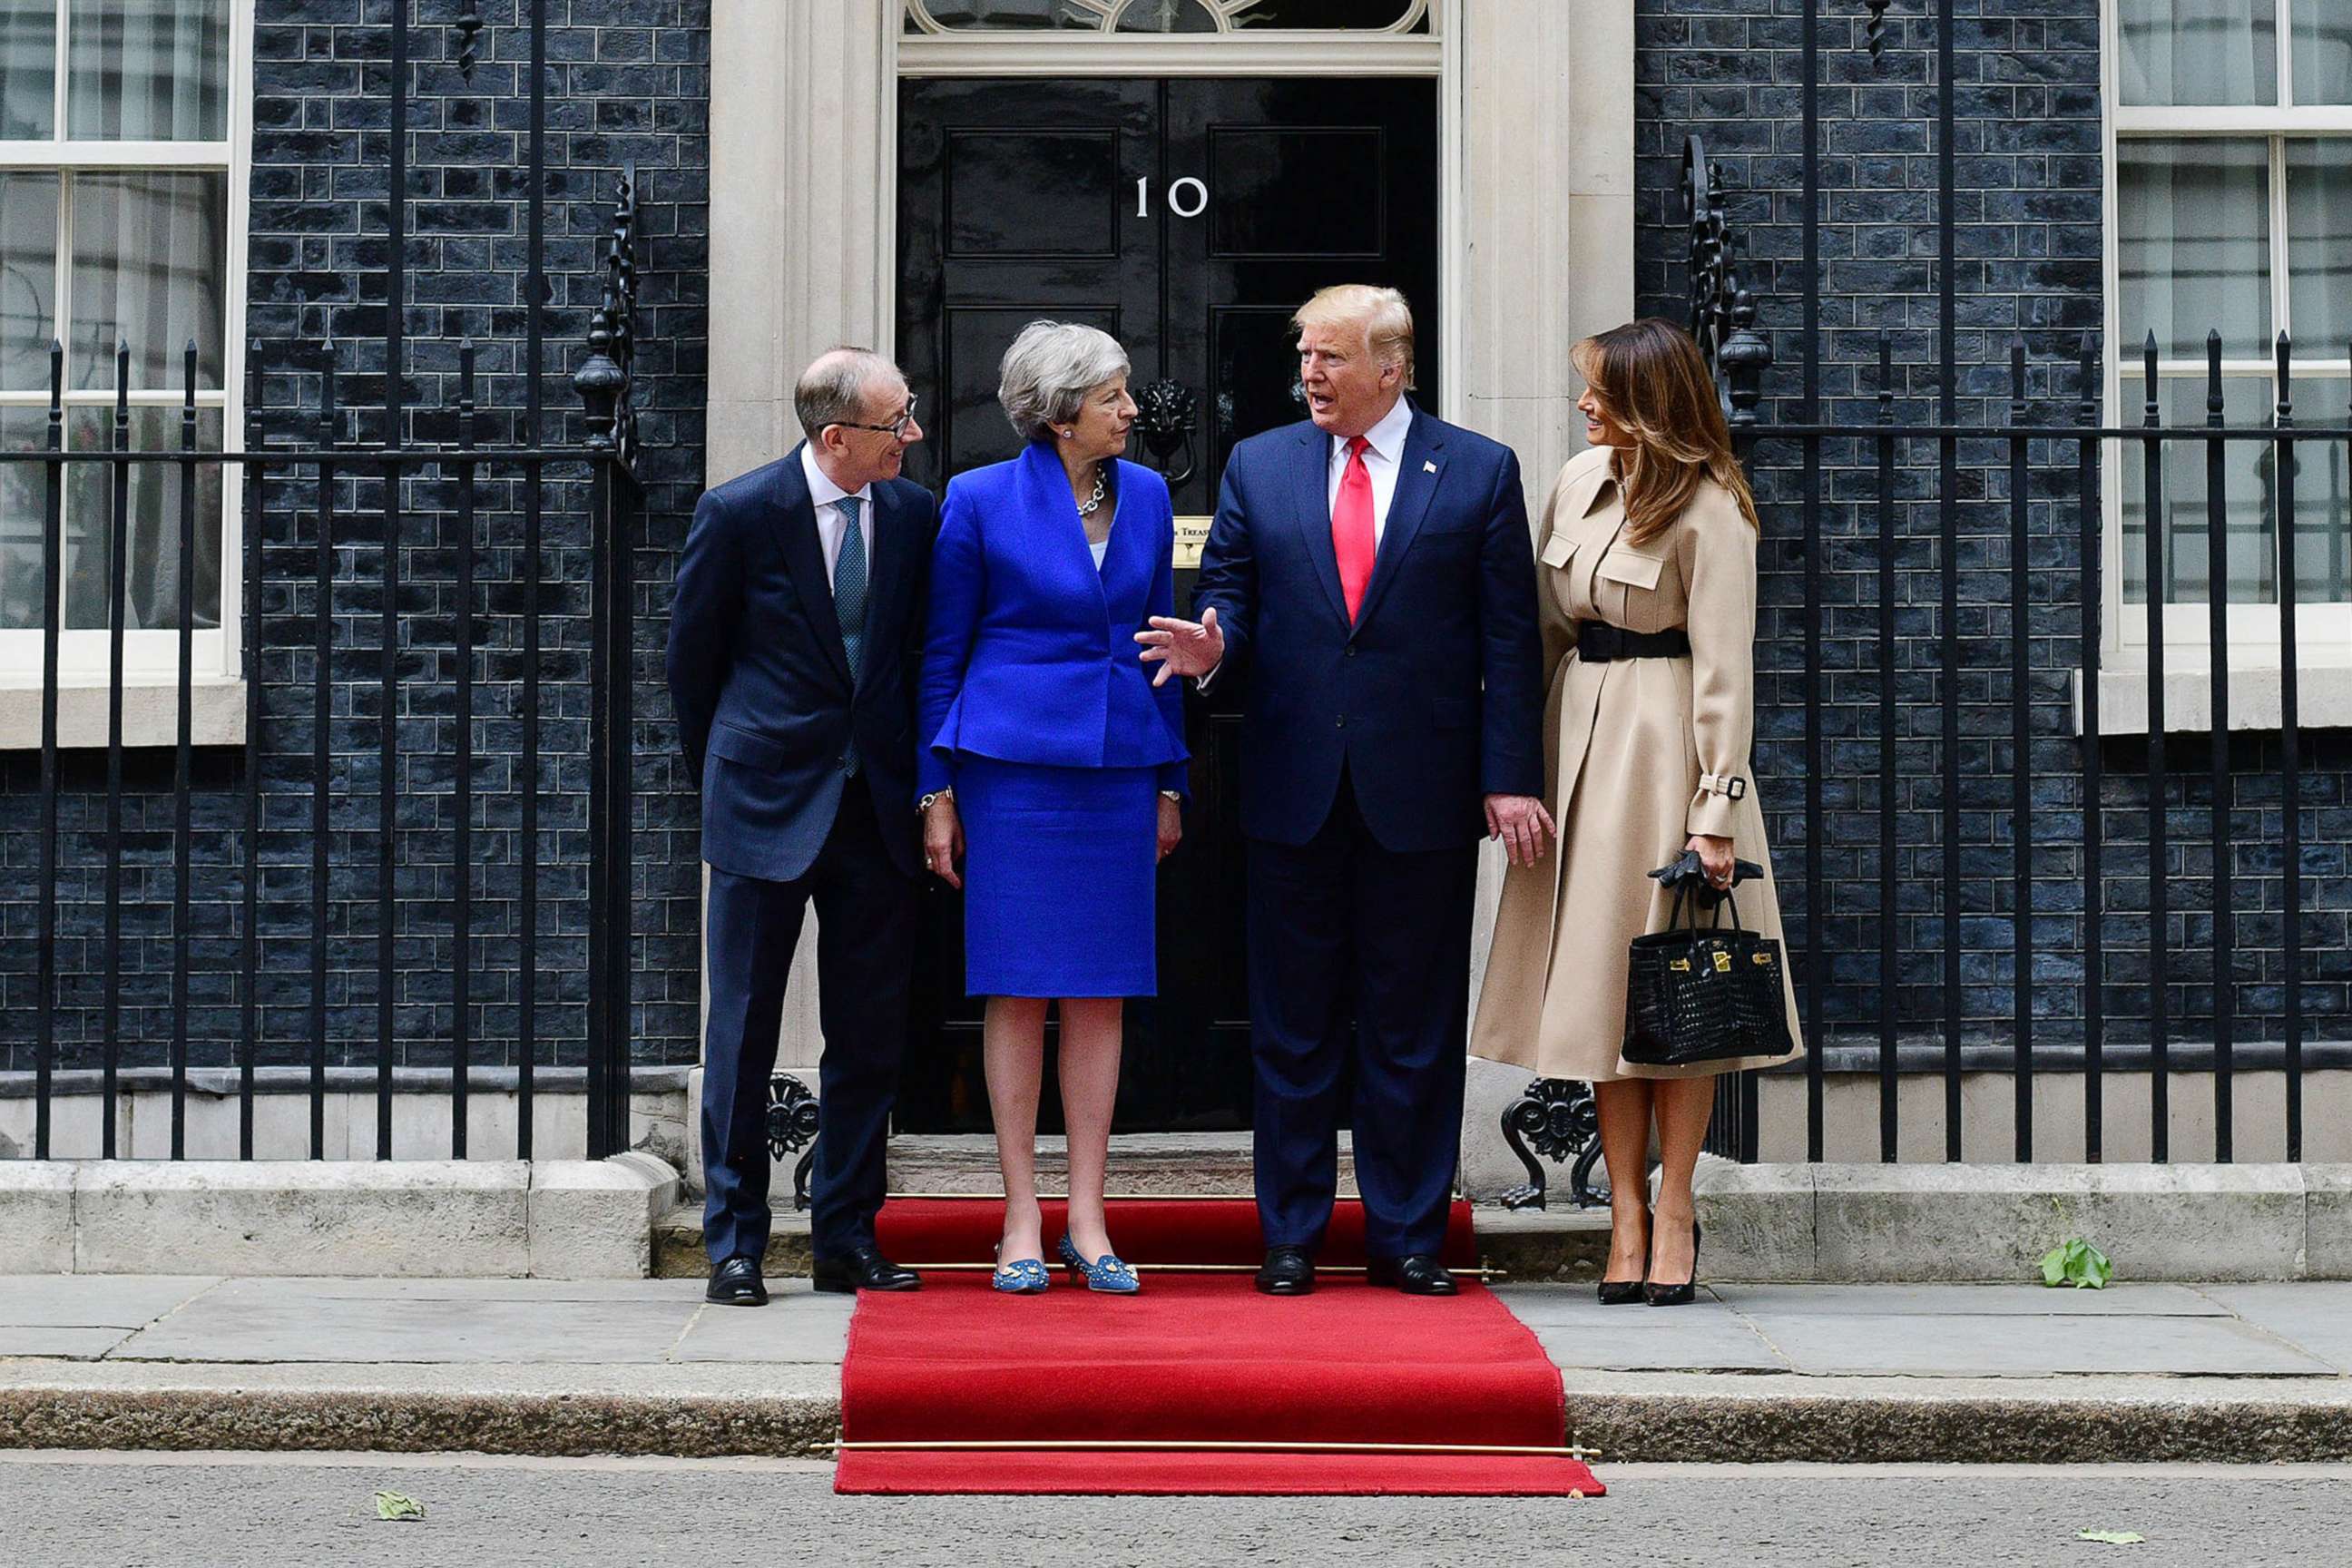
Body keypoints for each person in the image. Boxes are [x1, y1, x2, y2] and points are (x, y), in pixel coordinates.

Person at [1137, 285, 1547, 1298]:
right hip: (1293, 785)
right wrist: (1213, 641)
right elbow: (1228, 588)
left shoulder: (1481, 471)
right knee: (1293, 1023)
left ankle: (1408, 1234)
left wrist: (1508, 779)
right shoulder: (1260, 464)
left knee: (1412, 1024)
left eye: (1329, 357)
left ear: (1391, 368)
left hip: (1423, 789)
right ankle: (1292, 1235)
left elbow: (1510, 639)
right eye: (1304, 356)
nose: (1309, 375)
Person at [1470, 318, 1802, 1308]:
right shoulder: (1576, 486)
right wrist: (1519, 765)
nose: (1582, 407)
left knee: (1673, 1001)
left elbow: (1726, 673)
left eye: (1600, 392)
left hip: (1664, 751)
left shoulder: (1712, 510)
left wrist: (1716, 813)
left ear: (1649, 403)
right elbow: (1538, 630)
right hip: (1579, 737)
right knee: (1603, 1000)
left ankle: (1677, 1208)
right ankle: (1620, 1213)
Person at [918, 321, 1189, 1296]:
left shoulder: (1151, 495)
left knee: (1102, 989)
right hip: (1012, 769)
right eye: (1114, 395)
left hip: (1120, 765)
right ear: (1063, 409)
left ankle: (1089, 1216)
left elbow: (1161, 640)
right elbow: (942, 653)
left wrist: (1170, 781)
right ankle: (1021, 1217)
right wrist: (935, 791)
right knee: (1019, 986)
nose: (1131, 409)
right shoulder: (979, 499)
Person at [666, 348, 936, 1307]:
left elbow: (911, 656)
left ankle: (845, 1235)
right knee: (741, 1030)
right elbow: (692, 668)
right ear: (836, 438)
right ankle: (734, 1243)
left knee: (867, 1034)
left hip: (874, 810)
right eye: (896, 422)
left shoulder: (912, 514)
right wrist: (729, 777)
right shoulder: (741, 513)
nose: (912, 434)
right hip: (764, 802)